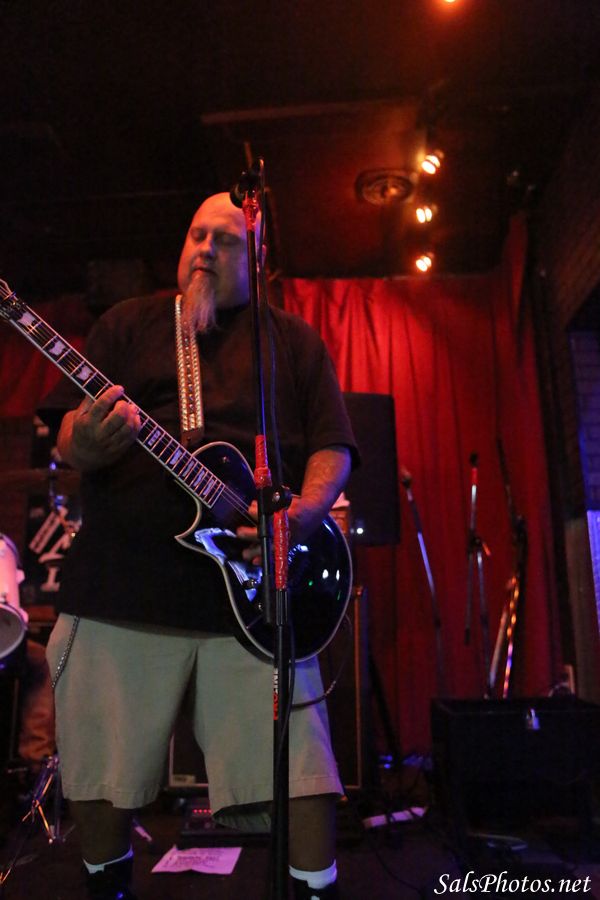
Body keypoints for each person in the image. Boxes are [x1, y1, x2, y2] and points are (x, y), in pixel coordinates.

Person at [45, 192, 358, 900]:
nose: (206, 249)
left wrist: (302, 516)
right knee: (99, 772)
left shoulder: (292, 342)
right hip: (123, 590)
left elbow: (333, 445)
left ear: (259, 258)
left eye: (226, 239)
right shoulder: (129, 325)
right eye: (196, 235)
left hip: (254, 603)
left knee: (304, 773)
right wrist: (85, 440)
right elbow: (67, 436)